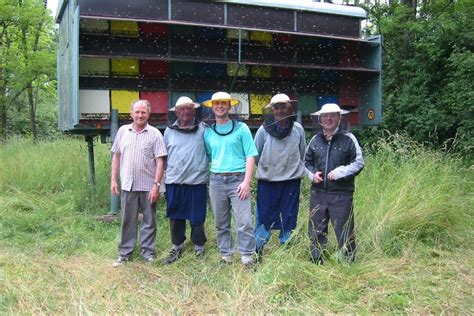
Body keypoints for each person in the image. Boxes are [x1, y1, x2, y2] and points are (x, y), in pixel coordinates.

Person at [203, 91, 258, 267]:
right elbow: (211, 156)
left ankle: (247, 256)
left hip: (238, 179)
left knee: (244, 221)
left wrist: (247, 182)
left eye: (223, 103)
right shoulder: (208, 133)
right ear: (212, 106)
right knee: (221, 222)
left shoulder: (242, 128)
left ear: (229, 105)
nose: (220, 106)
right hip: (217, 181)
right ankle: (226, 255)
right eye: (216, 103)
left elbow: (250, 155)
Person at [305, 103, 364, 264]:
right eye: (325, 116)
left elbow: (359, 163)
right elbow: (306, 162)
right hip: (318, 193)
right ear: (320, 119)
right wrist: (312, 175)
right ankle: (317, 260)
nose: (328, 118)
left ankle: (348, 261)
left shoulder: (349, 138)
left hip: (341, 194)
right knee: (316, 229)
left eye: (332, 115)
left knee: (344, 228)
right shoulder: (315, 140)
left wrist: (340, 172)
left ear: (339, 118)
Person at [110, 99, 167, 267]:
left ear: (148, 114)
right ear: (131, 113)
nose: (140, 115)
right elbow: (116, 156)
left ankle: (147, 253)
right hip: (128, 184)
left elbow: (160, 162)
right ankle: (124, 253)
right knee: (128, 220)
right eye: (137, 112)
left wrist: (156, 185)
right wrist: (114, 179)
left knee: (149, 221)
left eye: (143, 112)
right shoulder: (122, 131)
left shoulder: (155, 133)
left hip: (148, 186)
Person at [254, 93, 307, 257]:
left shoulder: (298, 129)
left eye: (283, 106)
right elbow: (256, 154)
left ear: (289, 108)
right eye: (276, 107)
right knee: (264, 217)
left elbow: (302, 153)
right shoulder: (263, 130)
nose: (280, 110)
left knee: (289, 217)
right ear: (272, 110)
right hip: (268, 183)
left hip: (291, 182)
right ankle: (258, 250)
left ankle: (287, 251)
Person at [161, 96, 209, 264]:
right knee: (175, 216)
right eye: (181, 109)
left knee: (197, 218)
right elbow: (163, 157)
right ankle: (177, 247)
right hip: (174, 181)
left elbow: (210, 153)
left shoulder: (204, 130)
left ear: (194, 110)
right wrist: (161, 184)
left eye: (188, 108)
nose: (185, 112)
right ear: (176, 112)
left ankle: (199, 249)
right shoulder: (168, 131)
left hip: (197, 182)